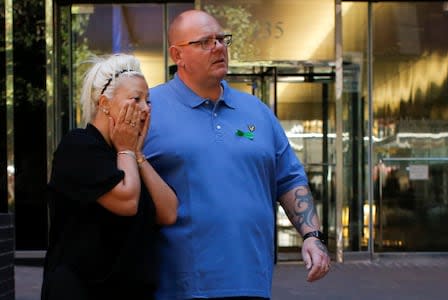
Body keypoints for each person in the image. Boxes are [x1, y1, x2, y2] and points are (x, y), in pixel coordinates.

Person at [143, 9, 330, 300]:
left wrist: (312, 236)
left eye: (222, 39)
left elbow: (290, 178)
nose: (218, 47)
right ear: (177, 55)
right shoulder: (149, 110)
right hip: (177, 287)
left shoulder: (256, 111)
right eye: (205, 42)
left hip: (251, 281)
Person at [41, 53, 178, 300]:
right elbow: (126, 202)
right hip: (82, 291)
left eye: (148, 100)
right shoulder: (78, 146)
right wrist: (126, 149)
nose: (146, 108)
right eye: (136, 99)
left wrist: (136, 153)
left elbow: (168, 212)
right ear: (104, 103)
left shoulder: (130, 157)